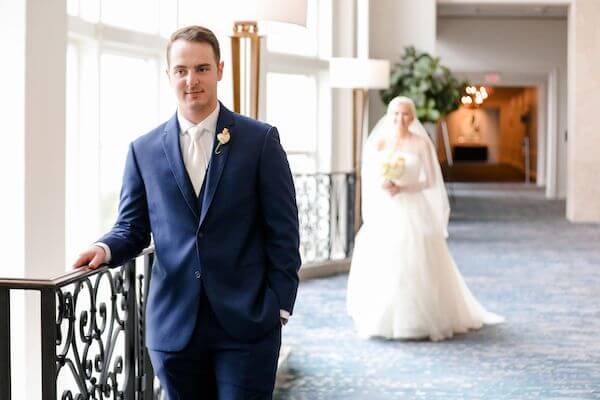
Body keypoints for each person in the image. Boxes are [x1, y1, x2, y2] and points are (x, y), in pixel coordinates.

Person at [73, 25, 301, 399]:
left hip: (247, 322)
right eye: (181, 70)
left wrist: (280, 306)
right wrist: (105, 248)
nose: (191, 80)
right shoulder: (142, 150)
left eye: (201, 68)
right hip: (175, 325)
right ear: (169, 76)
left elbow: (284, 230)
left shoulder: (260, 140)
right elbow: (132, 226)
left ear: (220, 70)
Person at [346, 96, 503, 341]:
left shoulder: (421, 143)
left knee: (415, 258)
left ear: (413, 116)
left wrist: (404, 187)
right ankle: (382, 318)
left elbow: (429, 180)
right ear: (390, 115)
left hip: (412, 204)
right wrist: (384, 184)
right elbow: (371, 172)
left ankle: (418, 321)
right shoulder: (381, 142)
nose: (401, 119)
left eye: (406, 114)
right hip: (387, 207)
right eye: (397, 114)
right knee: (385, 257)